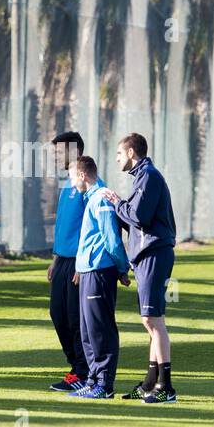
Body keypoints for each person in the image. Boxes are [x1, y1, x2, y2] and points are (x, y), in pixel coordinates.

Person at [100, 132, 178, 404]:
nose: (117, 159)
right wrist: (120, 206)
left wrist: (116, 202)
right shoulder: (142, 178)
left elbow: (138, 216)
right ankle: (149, 382)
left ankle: (165, 386)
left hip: (154, 253)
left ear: (132, 153)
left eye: (120, 154)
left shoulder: (149, 176)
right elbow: (134, 218)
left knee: (153, 320)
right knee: (150, 319)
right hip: (146, 255)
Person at [67, 156, 130, 399]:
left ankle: (105, 384)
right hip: (87, 271)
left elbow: (111, 238)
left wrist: (122, 268)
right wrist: (80, 268)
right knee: (87, 329)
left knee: (100, 329)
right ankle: (94, 381)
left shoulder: (101, 197)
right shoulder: (91, 197)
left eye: (73, 177)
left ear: (82, 175)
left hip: (100, 272)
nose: (72, 183)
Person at [46, 131, 104, 392]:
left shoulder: (89, 184)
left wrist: (82, 263)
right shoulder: (66, 184)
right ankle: (76, 367)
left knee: (74, 319)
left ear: (75, 152)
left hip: (79, 263)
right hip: (62, 261)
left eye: (60, 151)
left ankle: (83, 371)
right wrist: (55, 258)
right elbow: (65, 226)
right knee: (57, 314)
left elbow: (92, 228)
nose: (56, 155)